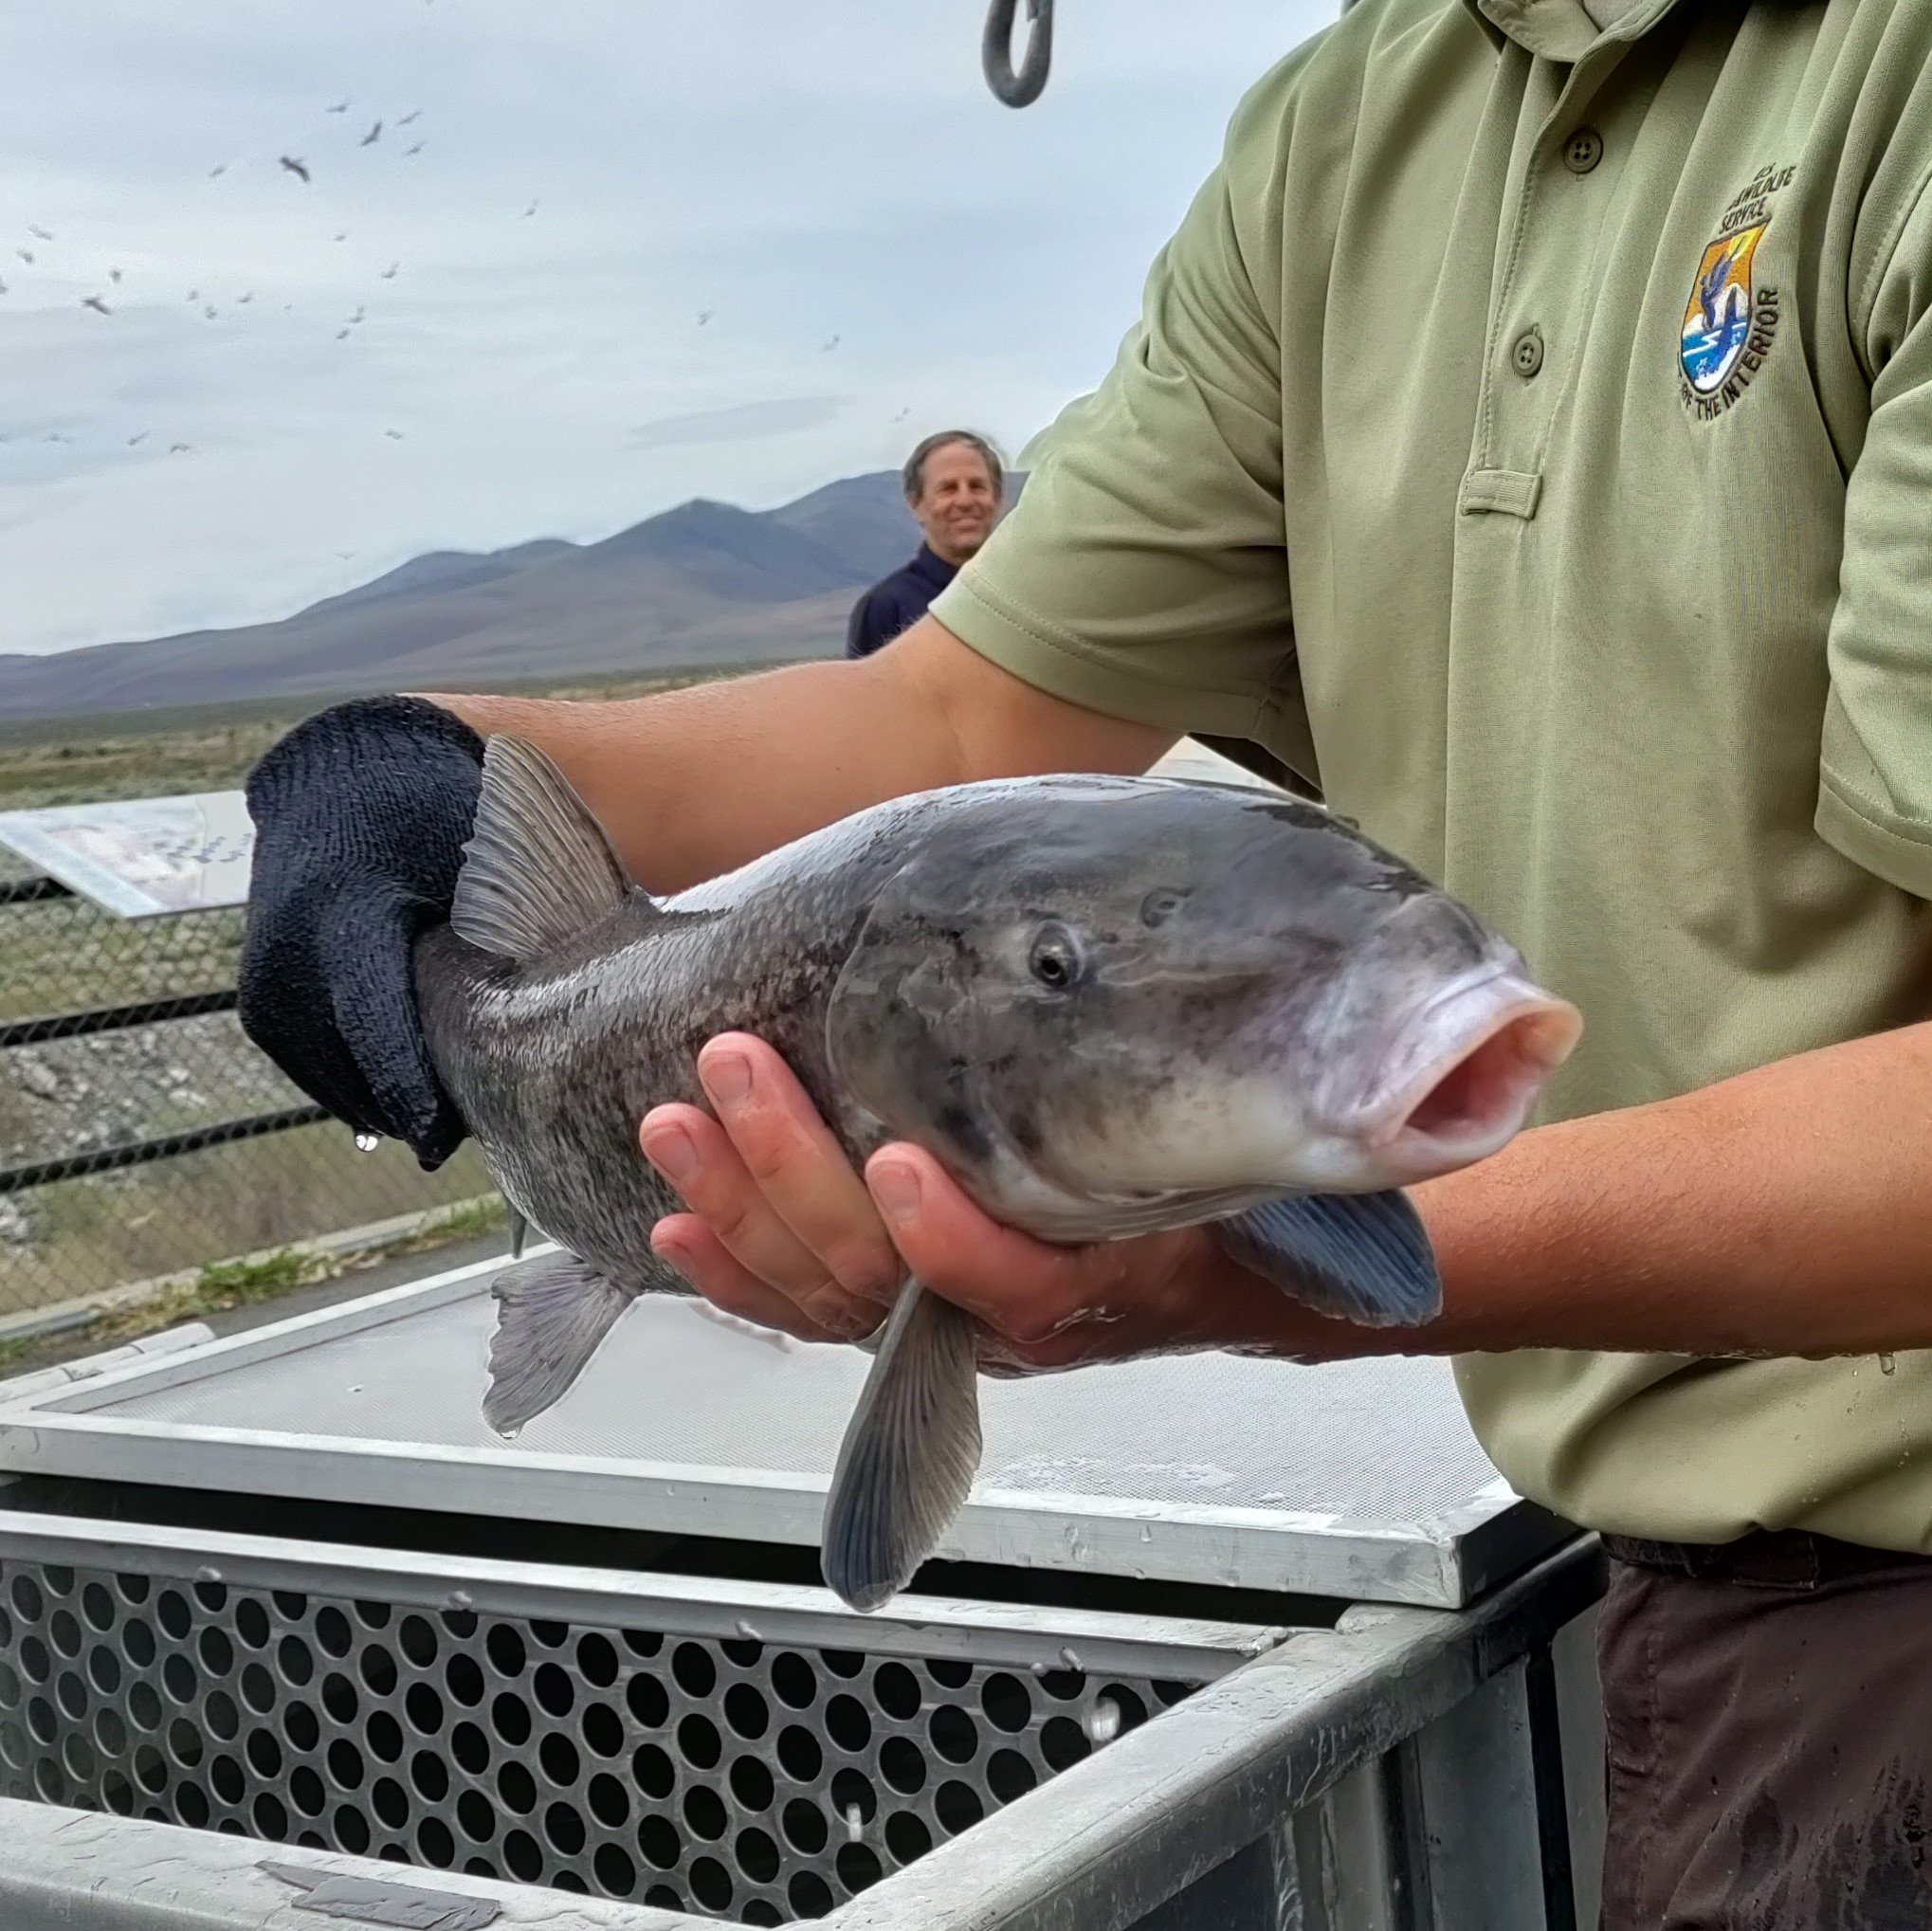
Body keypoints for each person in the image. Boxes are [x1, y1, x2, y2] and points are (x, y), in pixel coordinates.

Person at [238, 0, 1932, 1917]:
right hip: (1710, 1628)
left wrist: (1234, 1258)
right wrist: (413, 766)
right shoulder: (1354, 128)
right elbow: (970, 716)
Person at [845, 431, 1004, 659]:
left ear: (997, 499)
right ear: (916, 504)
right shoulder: (886, 609)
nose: (965, 501)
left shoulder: (1029, 596)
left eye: (977, 486)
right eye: (948, 488)